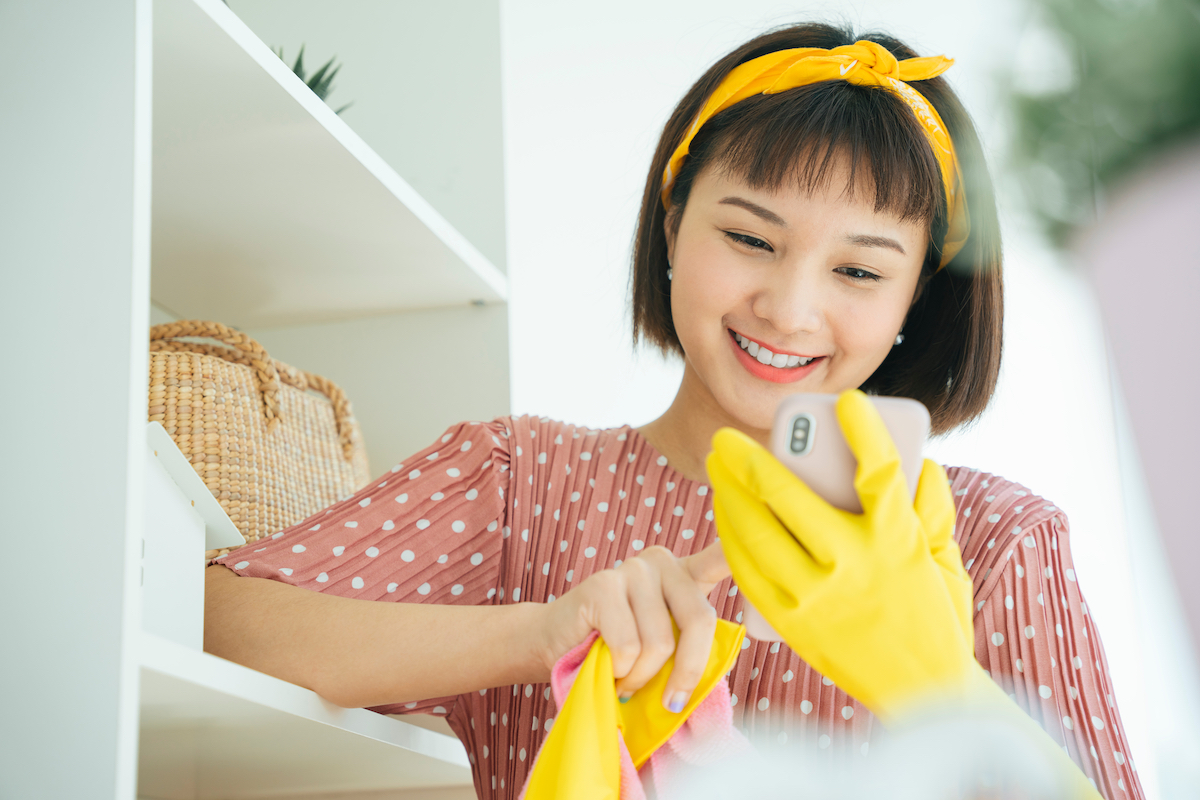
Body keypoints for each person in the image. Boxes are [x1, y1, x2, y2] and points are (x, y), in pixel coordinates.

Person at [203, 22, 1145, 799]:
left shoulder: (998, 543)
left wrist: (935, 681)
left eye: (858, 269)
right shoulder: (520, 484)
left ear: (916, 302)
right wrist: (543, 632)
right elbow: (217, 621)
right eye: (748, 237)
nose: (789, 308)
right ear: (671, 222)